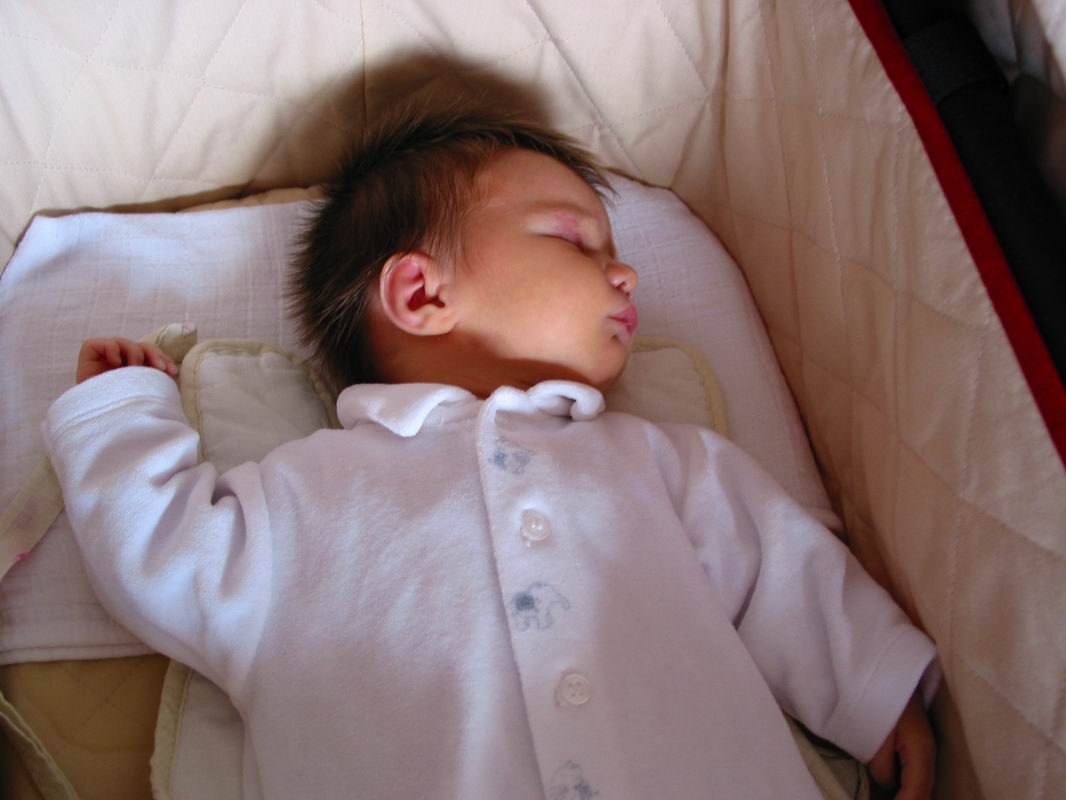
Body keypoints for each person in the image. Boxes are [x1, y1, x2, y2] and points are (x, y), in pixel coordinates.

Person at [47, 102, 937, 799]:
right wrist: (120, 416)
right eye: (575, 238)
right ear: (420, 291)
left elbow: (774, 568)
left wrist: (870, 687)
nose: (627, 273)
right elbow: (164, 554)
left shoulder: (659, 462)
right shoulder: (302, 498)